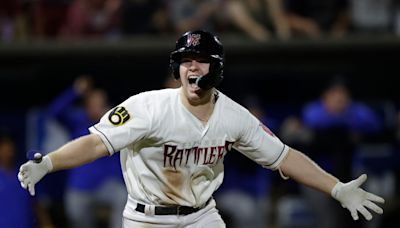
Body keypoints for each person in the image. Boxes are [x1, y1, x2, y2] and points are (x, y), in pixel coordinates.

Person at [18, 30, 384, 228]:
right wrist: (48, 163)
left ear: (218, 69)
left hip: (201, 216)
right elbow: (96, 143)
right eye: (185, 62)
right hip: (147, 219)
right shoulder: (149, 106)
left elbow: (284, 157)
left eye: (202, 62)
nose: (193, 68)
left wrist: (335, 187)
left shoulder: (234, 117)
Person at [44, 75, 126, 228]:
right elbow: (53, 112)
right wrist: (75, 91)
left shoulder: (113, 124)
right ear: (87, 106)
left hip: (107, 184)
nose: (100, 107)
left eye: (102, 103)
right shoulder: (78, 121)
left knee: (124, 197)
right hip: (80, 186)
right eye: (96, 104)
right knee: (76, 215)